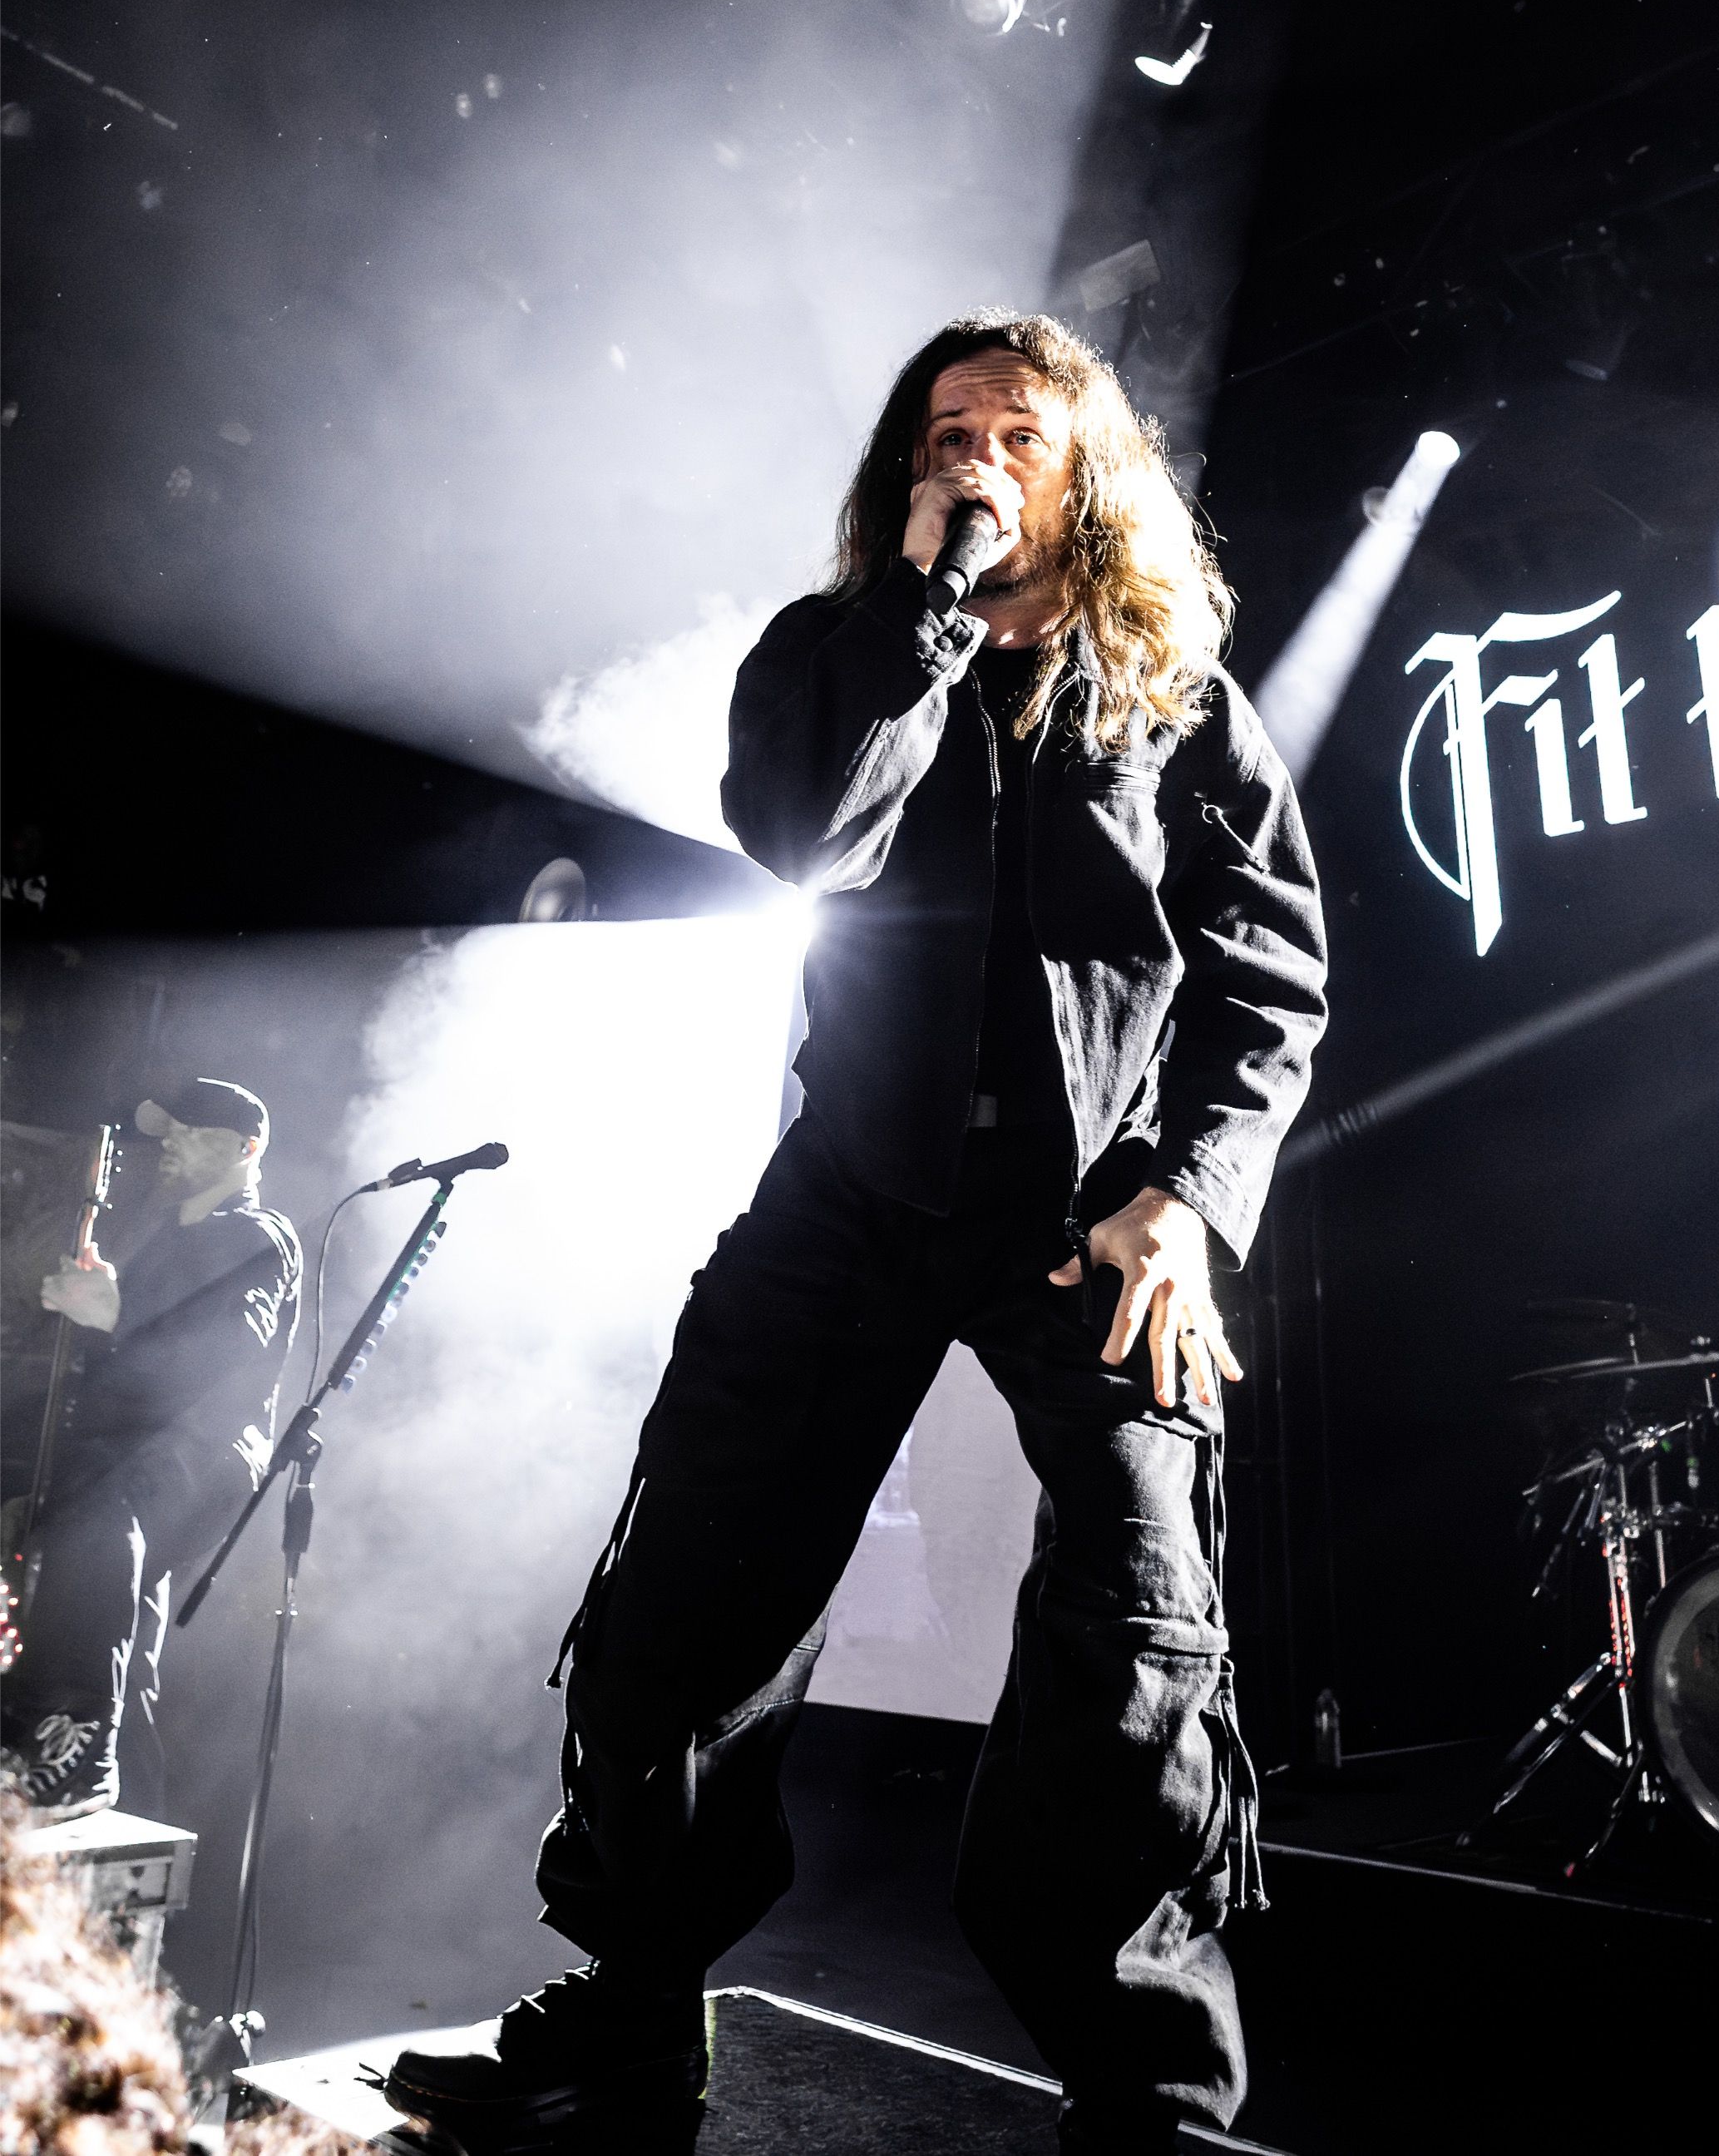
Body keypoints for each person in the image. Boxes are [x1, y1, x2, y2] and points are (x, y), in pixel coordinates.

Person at [385, 314, 1329, 2154]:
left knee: (1143, 1630)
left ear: (1085, 473)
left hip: (1092, 1213)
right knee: (690, 1588)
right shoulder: (834, 653)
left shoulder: (1174, 695)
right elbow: (807, 837)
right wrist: (920, 611)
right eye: (944, 430)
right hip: (852, 1188)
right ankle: (634, 2013)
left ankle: (1146, 2091)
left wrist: (1192, 1195)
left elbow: (1270, 977)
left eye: (1016, 431)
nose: (973, 454)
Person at [2, 1079, 301, 1816]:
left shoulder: (258, 1235)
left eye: (190, 1131)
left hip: (202, 1449)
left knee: (94, 1521)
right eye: (167, 1129)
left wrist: (116, 1310)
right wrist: (83, 1306)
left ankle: (79, 1749)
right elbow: (122, 1355)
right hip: (129, 1453)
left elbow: (226, 1348)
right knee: (118, 1626)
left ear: (245, 1148)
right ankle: (113, 1785)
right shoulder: (167, 1234)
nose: (169, 1141)